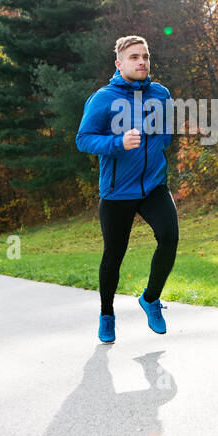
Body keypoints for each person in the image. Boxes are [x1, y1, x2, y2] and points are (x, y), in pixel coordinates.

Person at [75, 35, 179, 343]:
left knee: (169, 237)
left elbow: (166, 133)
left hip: (153, 187)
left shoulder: (160, 94)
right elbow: (84, 139)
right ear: (119, 64)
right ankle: (107, 315)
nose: (142, 61)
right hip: (117, 192)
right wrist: (117, 143)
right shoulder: (102, 99)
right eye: (134, 57)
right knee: (114, 255)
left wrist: (159, 140)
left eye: (145, 56)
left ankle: (150, 298)